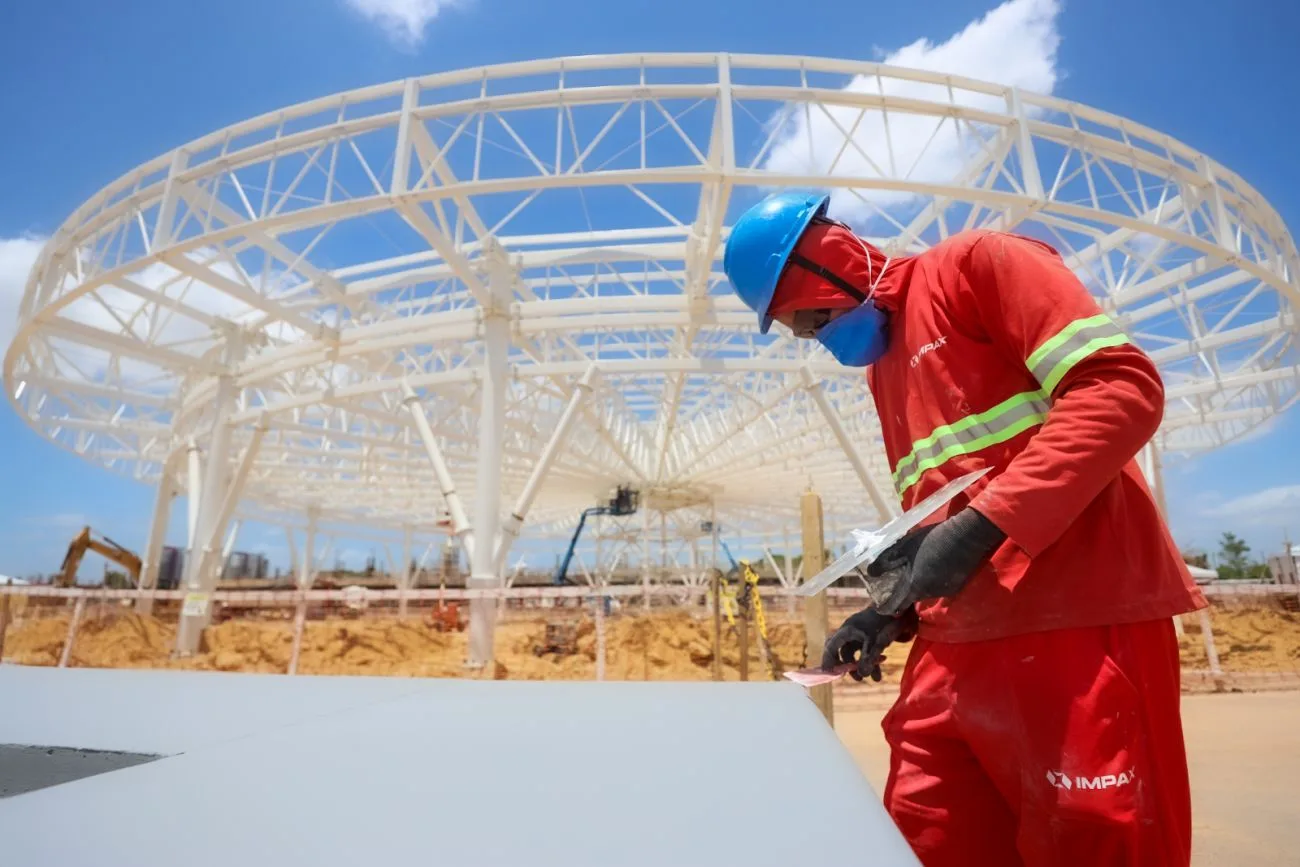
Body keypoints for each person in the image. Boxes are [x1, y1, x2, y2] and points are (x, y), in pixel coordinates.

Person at [722, 192, 1207, 867]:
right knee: (925, 834)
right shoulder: (886, 370)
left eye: (809, 318)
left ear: (830, 264)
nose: (816, 338)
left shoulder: (980, 266)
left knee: (1094, 836)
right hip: (955, 647)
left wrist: (984, 526)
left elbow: (1119, 389)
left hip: (1077, 621)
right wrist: (892, 609)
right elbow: (943, 509)